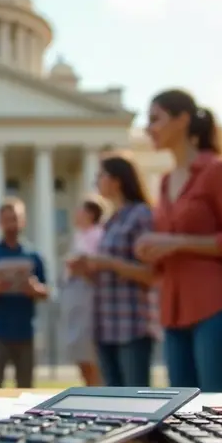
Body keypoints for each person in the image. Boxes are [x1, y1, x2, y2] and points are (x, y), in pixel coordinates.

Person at [137, 90, 222, 392]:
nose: (148, 128)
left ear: (182, 120)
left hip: (214, 306)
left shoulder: (216, 171)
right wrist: (152, 250)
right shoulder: (164, 181)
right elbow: (170, 243)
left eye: (155, 119)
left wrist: (177, 243)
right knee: (182, 413)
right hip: (173, 311)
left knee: (216, 410)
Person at [68, 151, 157, 387]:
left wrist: (107, 263)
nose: (96, 181)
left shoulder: (141, 215)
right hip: (105, 324)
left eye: (101, 175)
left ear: (117, 180)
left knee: (136, 402)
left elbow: (151, 274)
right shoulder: (111, 221)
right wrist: (86, 269)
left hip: (132, 324)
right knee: (112, 403)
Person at [0, 197, 49, 388]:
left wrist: (34, 289)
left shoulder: (33, 255)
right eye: (7, 219)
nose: (11, 224)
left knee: (26, 390)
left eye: (15, 218)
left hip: (26, 331)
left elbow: (46, 291)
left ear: (24, 221)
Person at [59, 196, 107, 387]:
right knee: (79, 353)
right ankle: (91, 388)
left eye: (80, 210)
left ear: (90, 214)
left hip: (89, 300)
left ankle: (98, 390)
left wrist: (80, 265)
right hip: (74, 298)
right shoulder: (79, 236)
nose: (75, 214)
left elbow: (95, 267)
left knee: (89, 353)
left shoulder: (98, 234)